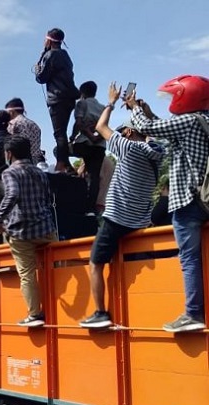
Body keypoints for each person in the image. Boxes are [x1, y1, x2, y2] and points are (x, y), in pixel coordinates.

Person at [126, 75, 209, 332]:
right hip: (206, 196)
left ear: (185, 97)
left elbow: (149, 130)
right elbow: (166, 131)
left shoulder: (186, 122)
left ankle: (193, 314)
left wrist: (135, 108)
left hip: (188, 200)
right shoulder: (202, 121)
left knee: (189, 258)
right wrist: (151, 113)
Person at [79, 82, 164, 329]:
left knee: (95, 263)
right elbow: (150, 132)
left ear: (127, 133)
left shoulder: (127, 148)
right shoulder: (155, 153)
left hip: (116, 220)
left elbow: (100, 127)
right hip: (140, 222)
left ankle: (100, 313)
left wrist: (112, 102)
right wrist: (138, 108)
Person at [0, 135, 58, 327]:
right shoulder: (40, 172)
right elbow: (48, 199)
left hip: (22, 233)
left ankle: (35, 314)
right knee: (54, 267)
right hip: (46, 229)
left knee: (27, 274)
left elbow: (12, 194)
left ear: (9, 153)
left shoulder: (9, 172)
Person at [34, 27, 80, 173]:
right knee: (62, 133)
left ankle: (63, 165)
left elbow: (42, 78)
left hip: (57, 99)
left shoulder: (51, 55)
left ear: (49, 40)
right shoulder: (65, 55)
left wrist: (37, 69)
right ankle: (65, 163)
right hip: (70, 97)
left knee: (59, 134)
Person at [70, 81, 107, 212]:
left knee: (61, 151)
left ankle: (70, 174)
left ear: (83, 93)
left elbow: (78, 123)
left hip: (85, 143)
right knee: (94, 175)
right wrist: (96, 137)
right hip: (100, 145)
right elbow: (104, 126)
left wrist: (73, 137)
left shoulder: (81, 103)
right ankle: (90, 208)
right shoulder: (103, 107)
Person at [6, 97, 45, 165]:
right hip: (35, 162)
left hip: (19, 163)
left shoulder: (13, 124)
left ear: (11, 112)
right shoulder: (35, 125)